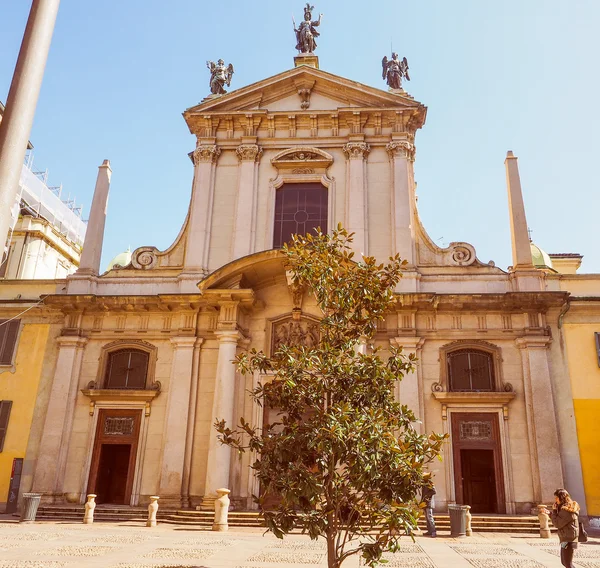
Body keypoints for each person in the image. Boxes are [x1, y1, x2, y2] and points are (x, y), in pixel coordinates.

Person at [548, 488, 580, 568]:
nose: (555, 500)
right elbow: (559, 519)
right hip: (565, 538)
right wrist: (551, 513)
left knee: (568, 563)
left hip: (569, 539)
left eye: (556, 498)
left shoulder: (567, 510)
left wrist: (554, 511)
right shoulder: (564, 509)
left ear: (561, 498)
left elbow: (558, 523)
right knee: (564, 562)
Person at [421, 473, 437, 537]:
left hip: (429, 503)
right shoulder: (424, 484)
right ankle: (429, 531)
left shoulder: (430, 483)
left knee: (430, 517)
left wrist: (427, 496)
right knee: (427, 518)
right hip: (424, 503)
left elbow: (434, 491)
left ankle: (433, 531)